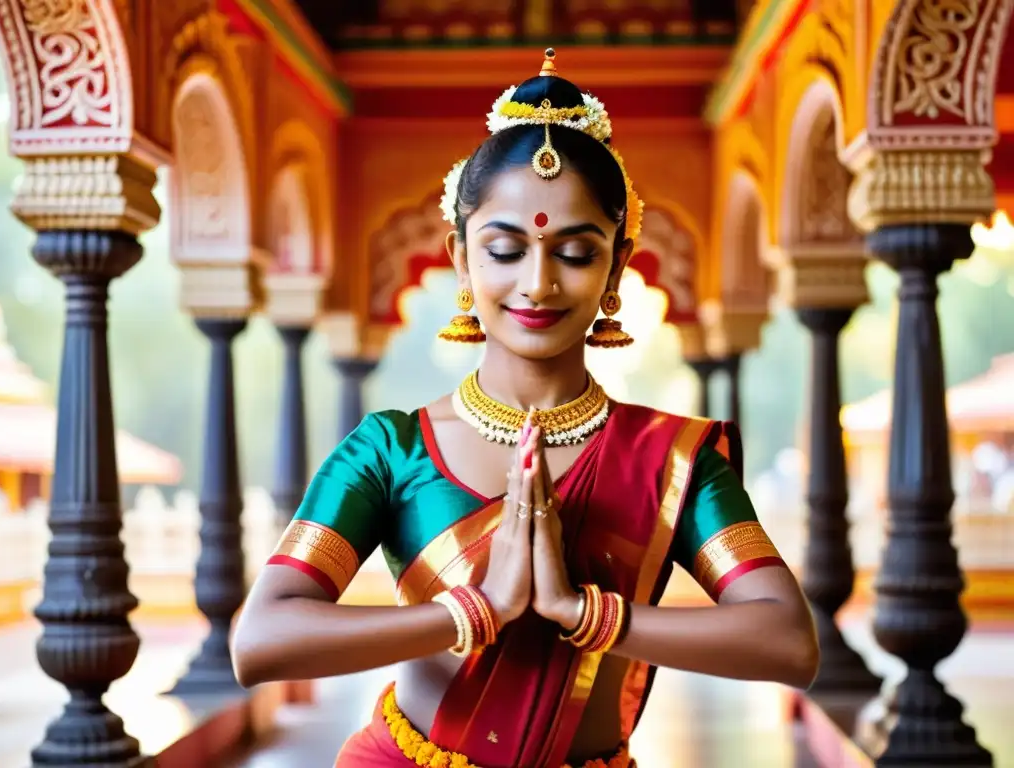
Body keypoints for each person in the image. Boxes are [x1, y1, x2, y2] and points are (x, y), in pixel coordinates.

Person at [231, 49, 819, 768]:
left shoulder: (674, 460)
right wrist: (470, 613)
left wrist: (586, 614)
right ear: (459, 258)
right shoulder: (389, 451)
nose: (537, 284)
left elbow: (788, 642)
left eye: (575, 252)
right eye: (505, 249)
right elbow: (259, 642)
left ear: (618, 266)